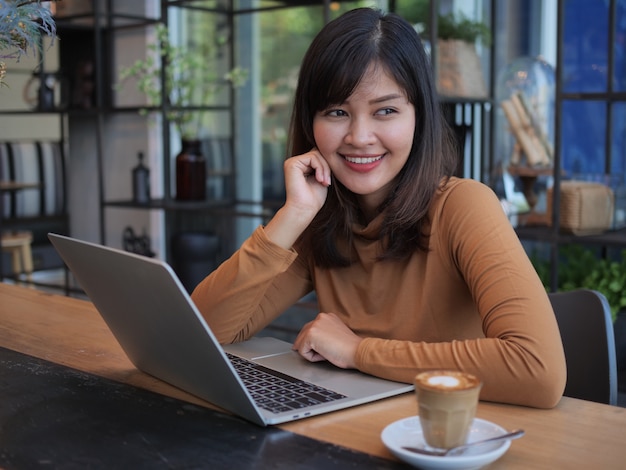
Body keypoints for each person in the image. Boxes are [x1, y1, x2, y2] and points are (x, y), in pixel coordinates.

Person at [191, 7, 566, 408]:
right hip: (356, 432)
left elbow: (537, 369)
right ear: (310, 121)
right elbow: (202, 335)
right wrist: (293, 216)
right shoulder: (322, 218)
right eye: (337, 112)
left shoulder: (462, 206)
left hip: (446, 440)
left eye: (386, 110)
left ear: (418, 117)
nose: (360, 136)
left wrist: (359, 352)